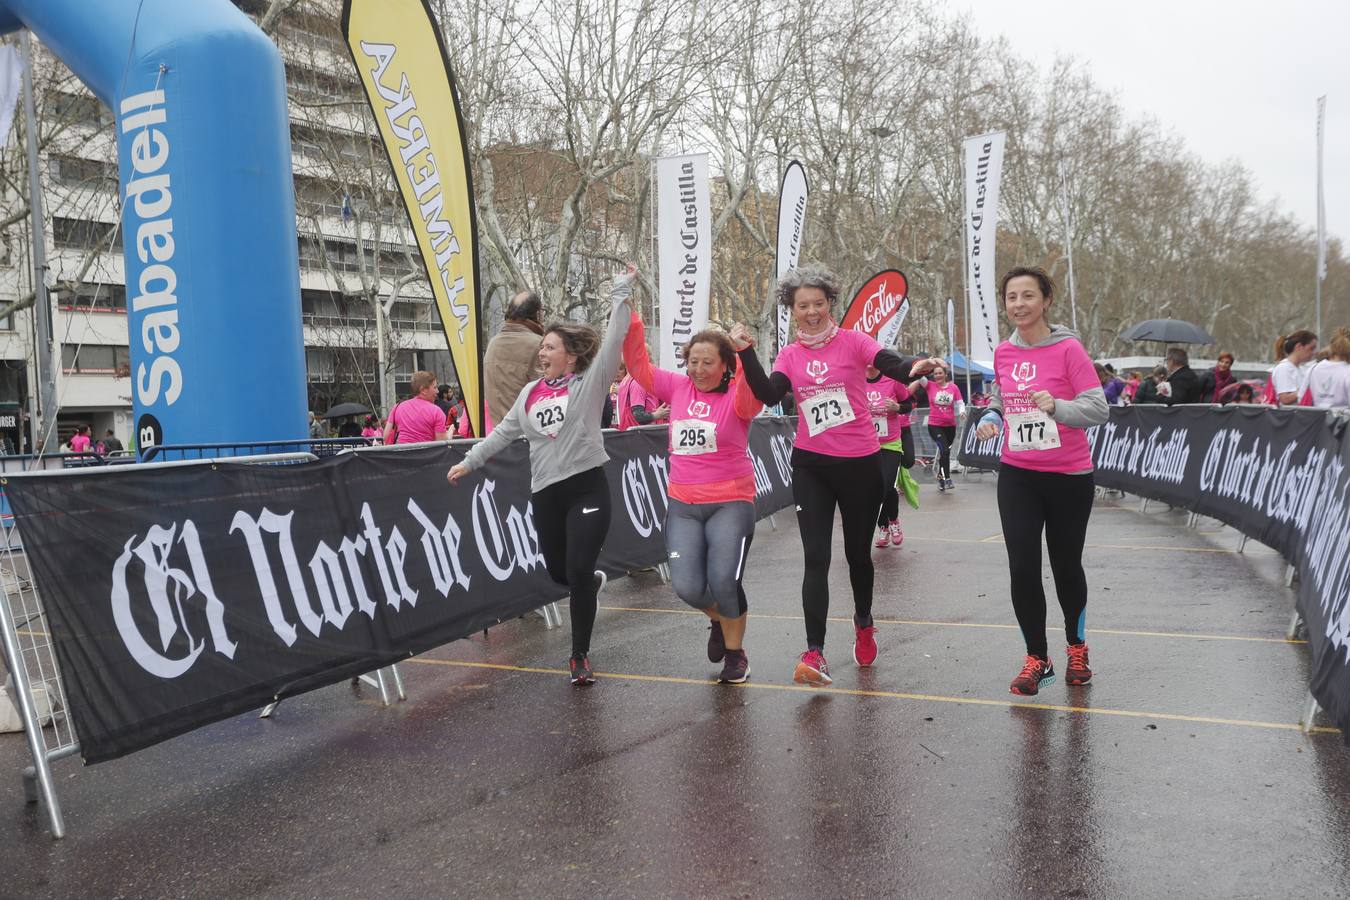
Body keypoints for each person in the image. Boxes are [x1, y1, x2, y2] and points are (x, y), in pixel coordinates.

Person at [735, 264, 941, 685]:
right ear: (792, 310)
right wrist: (745, 353)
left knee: (857, 557)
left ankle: (864, 622)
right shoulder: (790, 355)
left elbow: (893, 365)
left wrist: (917, 365)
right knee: (816, 558)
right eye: (802, 306)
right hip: (811, 464)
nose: (811, 312)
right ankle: (815, 653)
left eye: (818, 304)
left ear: (831, 303)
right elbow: (769, 394)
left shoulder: (853, 342)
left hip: (860, 464)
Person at [447, 266, 635, 686]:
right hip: (547, 493)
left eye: (549, 347)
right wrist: (470, 461)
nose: (542, 353)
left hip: (587, 487)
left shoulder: (589, 382)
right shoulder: (530, 393)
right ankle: (588, 583)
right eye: (542, 347)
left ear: (570, 355)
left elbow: (615, 337)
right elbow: (503, 433)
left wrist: (621, 291)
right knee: (558, 573)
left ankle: (579, 657)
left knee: (579, 567)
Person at [974, 265, 1108, 696]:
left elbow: (1098, 408)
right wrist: (992, 416)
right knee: (1022, 569)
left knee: (1066, 566)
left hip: (1069, 476)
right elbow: (1000, 396)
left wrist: (1058, 407)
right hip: (1019, 475)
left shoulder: (1068, 349)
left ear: (1046, 300)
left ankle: (1076, 647)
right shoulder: (1004, 353)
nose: (1019, 305)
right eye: (1012, 297)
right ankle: (1037, 657)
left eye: (1028, 296)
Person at [621, 310, 763, 683]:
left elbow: (754, 391)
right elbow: (638, 366)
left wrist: (745, 351)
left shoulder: (738, 398)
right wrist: (632, 317)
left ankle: (736, 655)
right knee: (687, 587)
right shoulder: (677, 388)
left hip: (730, 502)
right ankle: (719, 619)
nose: (698, 369)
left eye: (707, 363)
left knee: (723, 581)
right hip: (683, 505)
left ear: (725, 366)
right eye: (692, 362)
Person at [483, 289, 545, 432]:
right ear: (537, 314)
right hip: (531, 438)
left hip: (499, 436)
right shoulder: (540, 345)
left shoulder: (493, 343)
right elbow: (550, 394)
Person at [864, 367, 911, 548]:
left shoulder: (893, 380)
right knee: (874, 488)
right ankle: (884, 527)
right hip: (867, 443)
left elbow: (909, 403)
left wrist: (898, 407)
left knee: (886, 483)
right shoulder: (856, 380)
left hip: (891, 442)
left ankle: (893, 521)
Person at [920, 364, 964, 491]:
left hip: (950, 426)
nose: (938, 376)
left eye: (940, 373)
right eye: (935, 374)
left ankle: (940, 476)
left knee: (946, 453)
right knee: (944, 451)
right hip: (935, 425)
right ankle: (947, 478)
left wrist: (962, 412)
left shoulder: (953, 387)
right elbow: (918, 376)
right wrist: (928, 363)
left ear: (946, 375)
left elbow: (960, 402)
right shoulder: (929, 386)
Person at [383, 372, 449, 444]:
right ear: (424, 390)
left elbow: (386, 436)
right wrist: (451, 431)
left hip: (401, 453)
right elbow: (442, 444)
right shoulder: (436, 411)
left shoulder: (397, 407)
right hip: (427, 454)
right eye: (435, 387)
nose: (437, 391)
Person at [613, 363, 670, 431]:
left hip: (631, 433)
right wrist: (656, 415)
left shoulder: (627, 380)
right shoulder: (639, 383)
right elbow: (638, 416)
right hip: (641, 435)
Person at [1269, 330, 1318, 406]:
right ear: (1299, 346)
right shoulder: (1284, 368)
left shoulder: (1300, 369)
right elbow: (1285, 398)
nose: (1314, 352)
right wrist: (1307, 389)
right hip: (1288, 416)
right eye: (1311, 348)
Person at [1307, 328, 1350, 408]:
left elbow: (1301, 396)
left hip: (1316, 418)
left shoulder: (1313, 368)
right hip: (1343, 419)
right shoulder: (1347, 371)